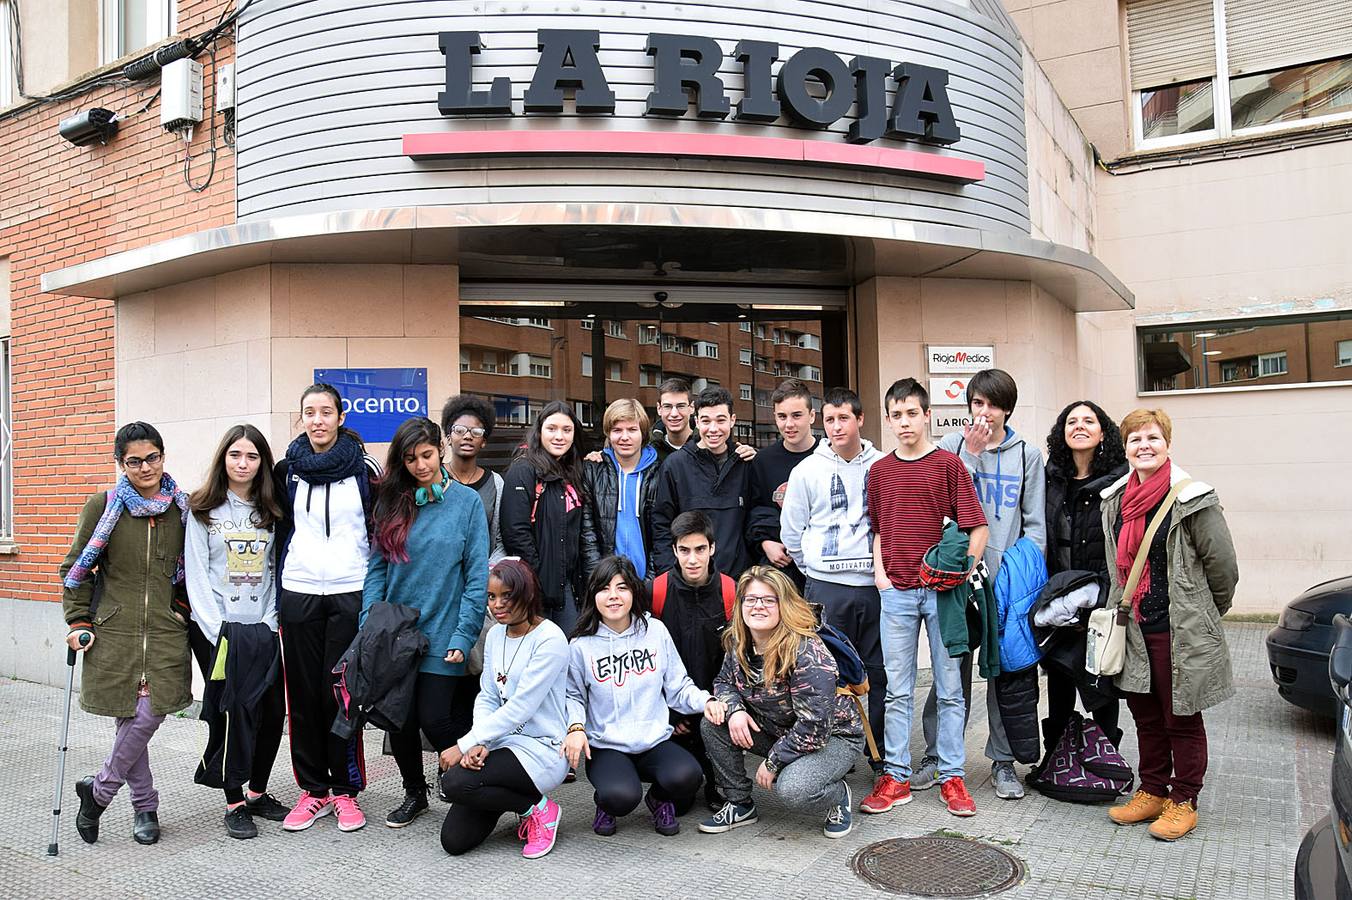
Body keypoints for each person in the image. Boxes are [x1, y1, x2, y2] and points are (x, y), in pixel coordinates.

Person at [1103, 409, 1237, 842]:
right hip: (1135, 628)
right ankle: (1153, 790)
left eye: (1152, 437)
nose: (1144, 445)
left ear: (1167, 444)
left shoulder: (1193, 498)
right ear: (1125, 448)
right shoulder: (1116, 500)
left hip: (1178, 629)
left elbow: (1223, 568)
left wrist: (1203, 612)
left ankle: (1185, 799)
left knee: (1181, 716)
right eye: (1135, 439)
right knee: (1145, 715)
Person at [61, 421, 192, 846]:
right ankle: (146, 806)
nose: (144, 467)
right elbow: (76, 569)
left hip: (165, 631)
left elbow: (193, 574)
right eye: (133, 461)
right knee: (129, 719)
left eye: (151, 457)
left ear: (163, 456)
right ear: (121, 463)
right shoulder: (103, 505)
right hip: (114, 631)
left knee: (147, 716)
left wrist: (182, 611)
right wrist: (78, 622)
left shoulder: (183, 509)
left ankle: (97, 792)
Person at [917, 368, 1046, 801]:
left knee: (1003, 672)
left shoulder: (1026, 454)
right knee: (950, 668)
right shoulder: (951, 447)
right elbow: (944, 506)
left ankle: (1003, 761)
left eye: (992, 404)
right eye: (977, 403)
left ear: (1006, 408)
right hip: (958, 579)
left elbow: (1035, 526)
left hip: (1003, 583)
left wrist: (1018, 573)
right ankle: (937, 755)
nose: (984, 412)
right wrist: (970, 457)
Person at [862, 379, 987, 818]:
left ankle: (951, 775)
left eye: (911, 413)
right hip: (895, 592)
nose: (904, 422)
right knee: (897, 690)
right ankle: (896, 776)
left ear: (927, 414)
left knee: (950, 687)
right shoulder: (879, 471)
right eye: (895, 415)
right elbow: (877, 528)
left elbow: (977, 527)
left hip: (942, 595)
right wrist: (881, 577)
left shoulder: (950, 466)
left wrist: (961, 571)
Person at [364, 417, 490, 829]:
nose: (420, 466)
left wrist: (464, 632)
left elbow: (476, 577)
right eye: (411, 458)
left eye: (427, 455)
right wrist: (369, 621)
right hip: (396, 632)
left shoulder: (467, 503)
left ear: (440, 449)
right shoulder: (390, 500)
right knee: (399, 717)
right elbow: (377, 571)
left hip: (445, 628)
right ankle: (413, 792)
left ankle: (474, 781)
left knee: (436, 717)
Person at [273, 382, 382, 833]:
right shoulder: (286, 471)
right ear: (301, 418)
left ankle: (345, 792)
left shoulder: (365, 469)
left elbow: (380, 533)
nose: (317, 420)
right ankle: (313, 789)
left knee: (340, 696)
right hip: (298, 591)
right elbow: (278, 531)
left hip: (349, 592)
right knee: (301, 696)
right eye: (309, 412)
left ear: (341, 416)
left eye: (325, 412)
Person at [564, 555, 726, 836]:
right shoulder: (580, 645)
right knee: (622, 797)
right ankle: (605, 802)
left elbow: (677, 685)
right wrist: (576, 728)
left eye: (622, 587)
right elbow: (573, 696)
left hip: (653, 742)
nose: (613, 596)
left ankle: (659, 800)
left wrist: (706, 701)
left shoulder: (655, 631)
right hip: (607, 745)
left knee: (688, 777)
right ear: (594, 595)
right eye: (604, 588)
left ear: (634, 592)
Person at [699, 566, 863, 839]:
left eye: (768, 600)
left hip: (833, 737)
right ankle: (740, 804)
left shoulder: (807, 652)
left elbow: (815, 726)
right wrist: (735, 710)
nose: (758, 607)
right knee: (713, 722)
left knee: (793, 789)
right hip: (779, 729)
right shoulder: (740, 640)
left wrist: (773, 762)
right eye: (751, 599)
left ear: (783, 605)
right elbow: (723, 682)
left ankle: (837, 796)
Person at [185, 423, 289, 840]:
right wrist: (217, 631)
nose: (243, 463)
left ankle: (259, 792)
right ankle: (233, 801)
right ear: (222, 458)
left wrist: (269, 624)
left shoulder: (272, 512)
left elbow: (272, 572)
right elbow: (195, 573)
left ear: (262, 462)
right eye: (235, 455)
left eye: (251, 456)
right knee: (230, 716)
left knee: (270, 714)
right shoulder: (201, 509)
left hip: (263, 629)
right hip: (218, 632)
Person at [779, 386, 886, 773]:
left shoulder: (882, 465)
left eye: (844, 418)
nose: (836, 427)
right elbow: (791, 530)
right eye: (829, 420)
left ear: (860, 420)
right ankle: (840, 748)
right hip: (825, 586)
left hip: (874, 586)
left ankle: (878, 750)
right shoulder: (807, 469)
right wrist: (815, 568)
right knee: (829, 673)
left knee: (876, 671)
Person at [439, 559, 569, 859]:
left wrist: (464, 744)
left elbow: (521, 708)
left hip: (542, 748)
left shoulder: (550, 639)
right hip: (501, 744)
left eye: (506, 596)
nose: (497, 605)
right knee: (454, 840)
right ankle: (521, 803)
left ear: (527, 593)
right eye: (491, 596)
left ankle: (539, 810)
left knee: (455, 781)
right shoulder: (496, 635)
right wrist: (480, 741)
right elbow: (487, 695)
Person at [1040, 401, 1127, 754]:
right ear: (1062, 432)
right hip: (1058, 602)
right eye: (1071, 421)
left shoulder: (1119, 481)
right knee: (1059, 686)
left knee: (1100, 687)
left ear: (1102, 432)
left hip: (1100, 604)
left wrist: (1104, 599)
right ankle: (1057, 763)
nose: (1079, 426)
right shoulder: (1052, 480)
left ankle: (1105, 762)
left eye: (1088, 421)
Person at [653, 511, 738, 811]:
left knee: (719, 795)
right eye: (684, 550)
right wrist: (671, 717)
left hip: (716, 709)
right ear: (674, 550)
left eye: (700, 549)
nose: (692, 559)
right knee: (680, 800)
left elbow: (737, 662)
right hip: (672, 712)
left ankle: (720, 779)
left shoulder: (730, 590)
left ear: (712, 548)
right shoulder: (658, 591)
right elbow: (649, 665)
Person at [501, 401, 590, 635]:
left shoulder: (573, 471)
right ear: (539, 431)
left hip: (569, 587)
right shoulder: (524, 469)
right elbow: (516, 532)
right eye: (552, 429)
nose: (559, 436)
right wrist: (539, 578)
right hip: (537, 590)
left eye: (566, 430)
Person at [652, 386, 753, 579]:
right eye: (706, 421)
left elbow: (755, 520)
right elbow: (661, 525)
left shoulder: (746, 463)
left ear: (732, 421)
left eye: (721, 420)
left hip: (739, 582)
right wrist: (668, 577)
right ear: (697, 421)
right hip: (689, 583)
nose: (713, 429)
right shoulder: (675, 466)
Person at [747, 378, 819, 589]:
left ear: (812, 416)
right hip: (779, 571)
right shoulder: (762, 461)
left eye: (796, 415)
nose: (789, 424)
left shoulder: (829, 457)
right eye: (782, 416)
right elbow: (753, 511)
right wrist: (764, 543)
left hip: (821, 570)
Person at [581, 399, 661, 579]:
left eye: (632, 430)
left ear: (643, 433)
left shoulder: (659, 473)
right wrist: (600, 581)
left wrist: (650, 583)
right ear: (608, 434)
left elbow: (661, 535)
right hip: (606, 582)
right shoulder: (593, 470)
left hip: (647, 581)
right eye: (617, 430)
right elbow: (588, 533)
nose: (624, 437)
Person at [441, 393, 506, 563]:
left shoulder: (496, 483)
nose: (468, 436)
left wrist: (486, 572)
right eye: (459, 430)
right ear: (448, 437)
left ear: (483, 441)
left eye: (476, 432)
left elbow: (501, 539)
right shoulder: (434, 478)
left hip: (483, 577)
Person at [651, 376, 756, 466]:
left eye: (681, 406)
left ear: (692, 407)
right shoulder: (649, 452)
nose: (674, 414)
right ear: (659, 409)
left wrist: (756, 458)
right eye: (667, 406)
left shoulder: (714, 444)